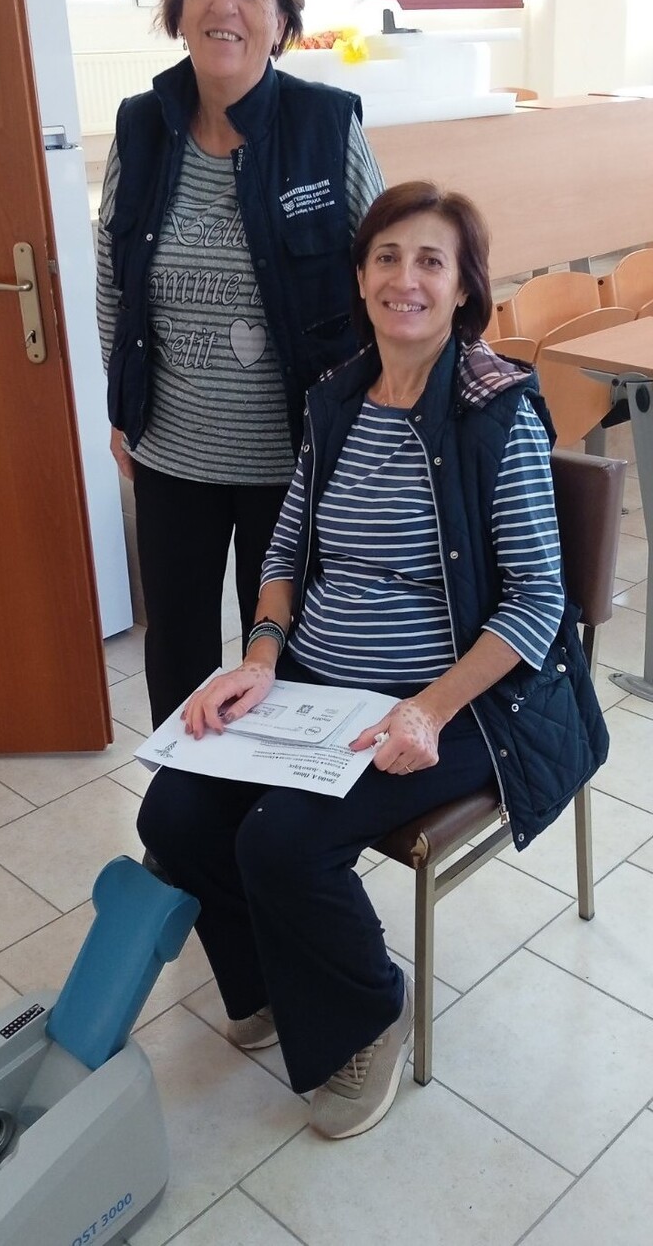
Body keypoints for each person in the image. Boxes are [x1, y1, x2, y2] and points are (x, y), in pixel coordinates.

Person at [137, 182, 609, 1139]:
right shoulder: (338, 398)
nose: (406, 279)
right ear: (360, 278)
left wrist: (427, 708)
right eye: (387, 257)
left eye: (431, 261)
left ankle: (371, 1016)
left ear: (464, 288)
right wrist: (259, 658)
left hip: (458, 702)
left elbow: (536, 602)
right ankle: (276, 981)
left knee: (280, 841)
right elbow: (285, 550)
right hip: (317, 683)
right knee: (173, 813)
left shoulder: (495, 413)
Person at [96, 0, 383, 728]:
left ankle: (268, 802)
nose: (226, 4)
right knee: (176, 652)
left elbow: (383, 277)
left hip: (295, 461)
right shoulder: (140, 127)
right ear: (178, 9)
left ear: (282, 20)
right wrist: (122, 407)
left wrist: (378, 424)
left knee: (284, 661)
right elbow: (116, 279)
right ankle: (181, 799)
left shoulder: (326, 128)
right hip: (171, 455)